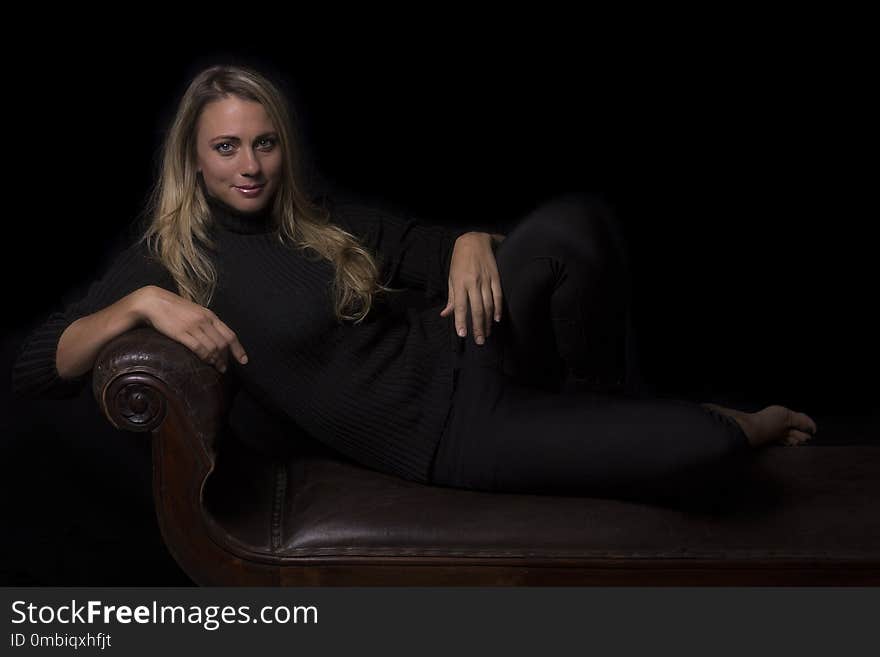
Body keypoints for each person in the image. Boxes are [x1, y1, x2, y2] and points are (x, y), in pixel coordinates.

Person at [12, 64, 818, 508]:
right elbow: (36, 367)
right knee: (711, 447)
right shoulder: (172, 259)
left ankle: (595, 395)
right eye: (227, 148)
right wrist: (138, 305)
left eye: (264, 144)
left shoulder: (317, 219)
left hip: (479, 348)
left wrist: (469, 240)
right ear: (195, 158)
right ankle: (730, 420)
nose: (250, 166)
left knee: (572, 222)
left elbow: (425, 245)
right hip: (454, 439)